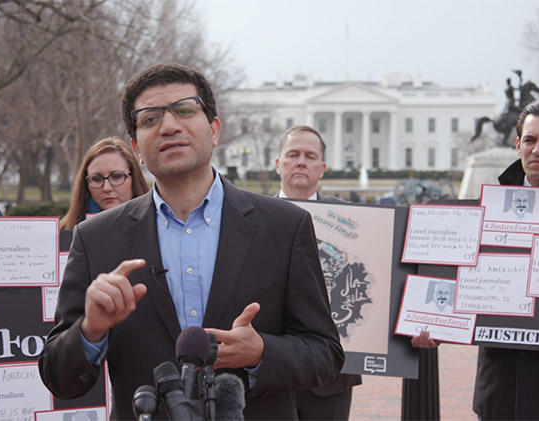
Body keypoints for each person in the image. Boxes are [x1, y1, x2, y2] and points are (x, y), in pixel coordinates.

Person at [39, 64, 343, 420]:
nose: (169, 126)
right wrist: (90, 330)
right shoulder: (95, 238)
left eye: (184, 110)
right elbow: (58, 377)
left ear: (214, 129)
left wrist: (261, 352)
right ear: (136, 147)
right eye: (150, 119)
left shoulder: (284, 226)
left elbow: (325, 355)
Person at [412, 101, 539, 420]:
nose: (538, 149)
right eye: (530, 140)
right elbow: (450, 282)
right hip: (505, 387)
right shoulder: (485, 212)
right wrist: (429, 321)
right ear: (517, 145)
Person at [274, 125, 361, 420]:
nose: (301, 161)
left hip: (332, 376)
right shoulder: (250, 216)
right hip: (270, 368)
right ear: (278, 164)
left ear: (322, 168)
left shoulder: (354, 223)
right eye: (293, 154)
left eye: (310, 156)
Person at [60, 137, 149, 231]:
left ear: (134, 179)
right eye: (96, 179)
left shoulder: (159, 225)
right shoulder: (61, 232)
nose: (106, 188)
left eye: (117, 176)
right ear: (86, 184)